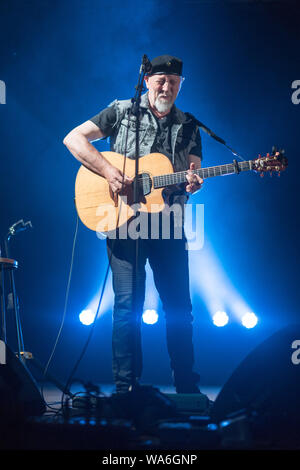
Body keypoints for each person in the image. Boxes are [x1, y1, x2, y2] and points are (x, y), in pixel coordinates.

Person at [63, 55, 204, 395]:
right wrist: (110, 172)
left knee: (180, 308)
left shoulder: (189, 126)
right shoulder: (122, 112)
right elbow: (73, 139)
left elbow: (194, 171)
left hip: (168, 223)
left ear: (181, 84)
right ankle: (127, 388)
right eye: (160, 80)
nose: (166, 87)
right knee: (127, 306)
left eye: (173, 81)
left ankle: (186, 387)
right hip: (124, 222)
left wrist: (194, 181)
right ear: (148, 80)